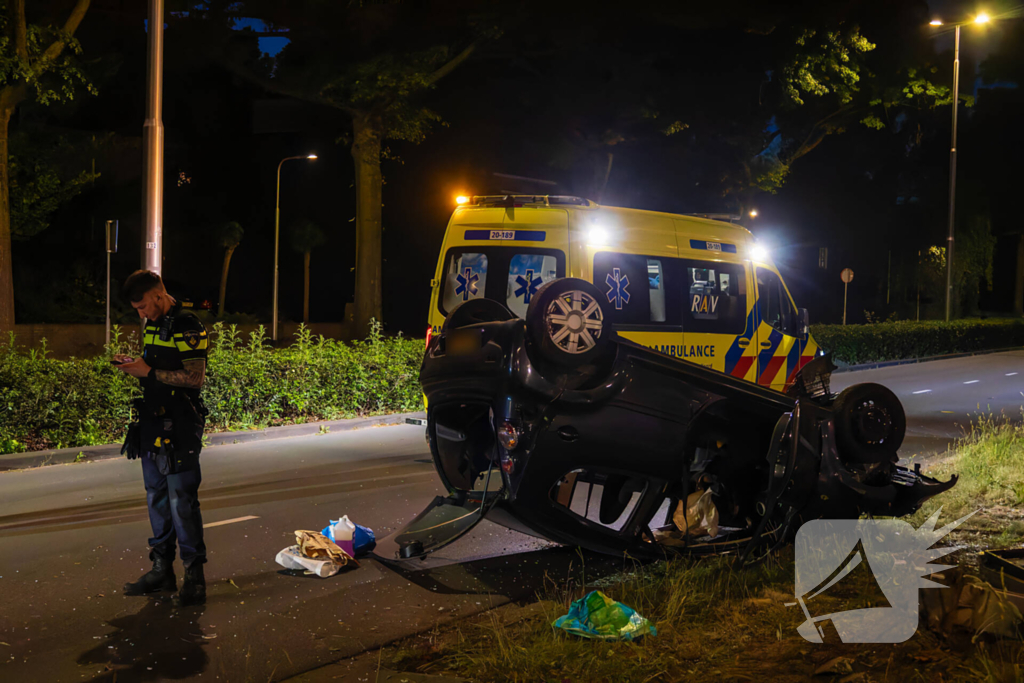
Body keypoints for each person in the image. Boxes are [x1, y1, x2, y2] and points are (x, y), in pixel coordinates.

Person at [114, 270, 210, 606]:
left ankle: (194, 577)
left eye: (143, 306)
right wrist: (137, 365)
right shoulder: (154, 324)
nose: (141, 314)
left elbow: (195, 378)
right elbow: (154, 366)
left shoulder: (187, 325)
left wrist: (149, 372)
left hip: (181, 425)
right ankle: (161, 570)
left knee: (181, 501)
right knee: (156, 497)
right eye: (136, 309)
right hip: (152, 423)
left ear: (159, 294)